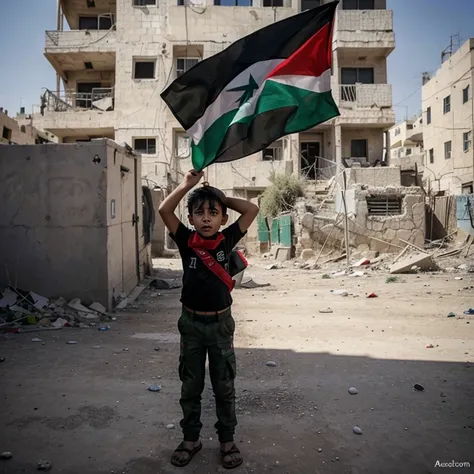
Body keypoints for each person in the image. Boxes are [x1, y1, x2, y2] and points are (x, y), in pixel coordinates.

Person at [158, 170, 259, 469]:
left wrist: (220, 196)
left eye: (213, 213)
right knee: (191, 385)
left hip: (220, 325)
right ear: (190, 218)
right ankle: (191, 439)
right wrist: (188, 185)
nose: (206, 218)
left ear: (223, 219)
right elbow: (164, 209)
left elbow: (252, 209)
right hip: (190, 324)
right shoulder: (185, 240)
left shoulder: (227, 239)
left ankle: (227, 440)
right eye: (199, 213)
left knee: (224, 384)